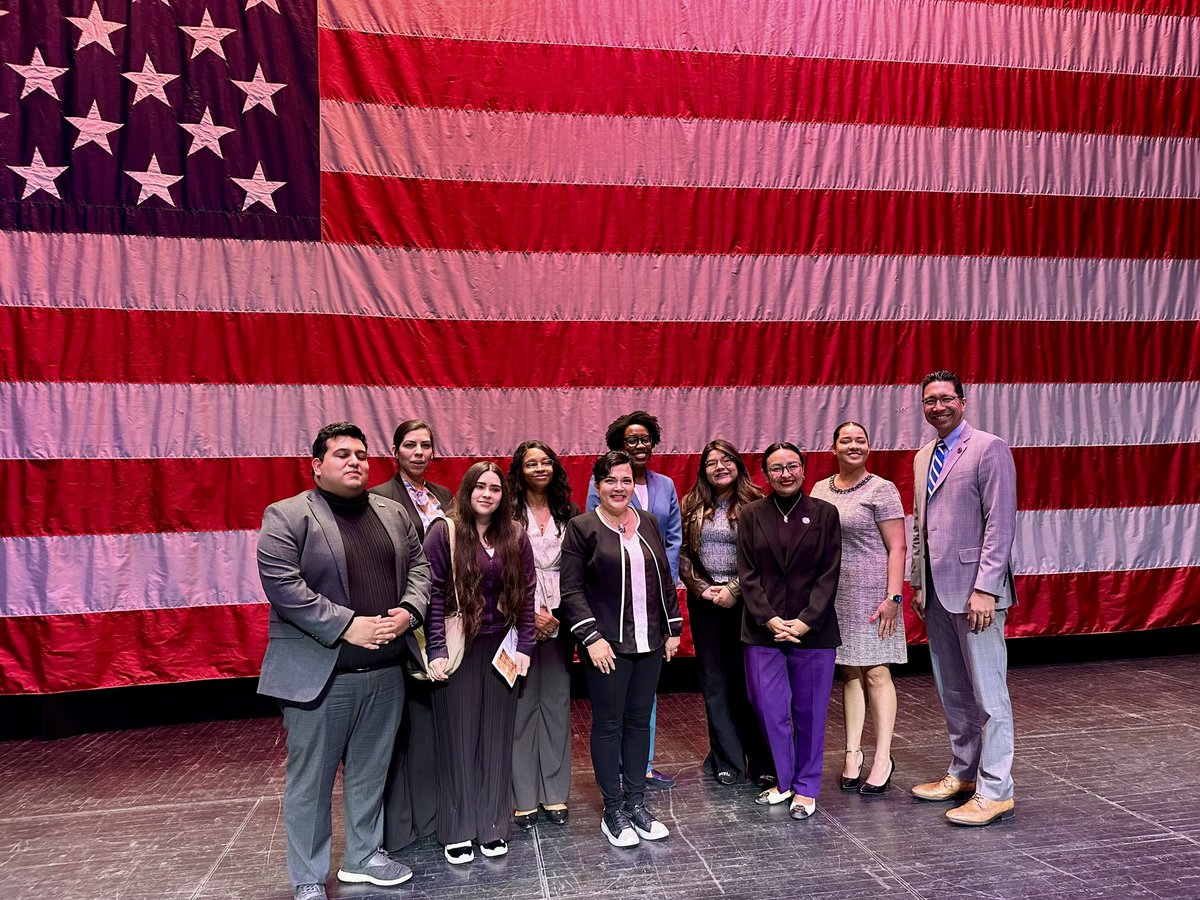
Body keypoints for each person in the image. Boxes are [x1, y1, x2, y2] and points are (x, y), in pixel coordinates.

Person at [257, 423, 431, 900]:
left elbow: (420, 567)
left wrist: (408, 613)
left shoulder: (392, 512)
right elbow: (284, 587)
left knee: (371, 771)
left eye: (360, 454)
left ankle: (364, 857)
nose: (355, 462)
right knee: (311, 783)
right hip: (321, 677)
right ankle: (309, 876)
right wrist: (347, 623)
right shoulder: (288, 515)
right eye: (341, 455)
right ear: (317, 465)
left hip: (385, 670)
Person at [909, 370, 1018, 826]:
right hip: (935, 591)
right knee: (953, 691)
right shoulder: (922, 457)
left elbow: (1000, 522)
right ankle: (964, 772)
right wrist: (917, 582)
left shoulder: (988, 448)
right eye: (930, 400)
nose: (938, 406)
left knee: (990, 696)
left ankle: (996, 790)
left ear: (963, 402)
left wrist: (986, 589)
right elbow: (920, 525)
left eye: (946, 398)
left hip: (977, 594)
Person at [561, 450, 683, 847]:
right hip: (607, 647)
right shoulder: (582, 527)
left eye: (626, 480)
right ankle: (612, 810)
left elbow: (663, 577)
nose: (619, 487)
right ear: (597, 485)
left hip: (649, 642)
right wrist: (591, 638)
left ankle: (636, 803)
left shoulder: (646, 521)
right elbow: (572, 590)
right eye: (611, 480)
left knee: (637, 723)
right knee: (609, 725)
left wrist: (674, 628)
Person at [424, 462, 536, 864]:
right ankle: (457, 829)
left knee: (496, 738)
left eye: (495, 488)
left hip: (502, 649)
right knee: (458, 739)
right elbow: (433, 594)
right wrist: (435, 649)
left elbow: (526, 592)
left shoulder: (515, 535)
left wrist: (526, 645)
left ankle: (491, 826)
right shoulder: (445, 531)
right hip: (459, 648)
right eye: (480, 486)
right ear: (467, 490)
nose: (487, 494)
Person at [736, 442, 841, 821]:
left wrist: (806, 619)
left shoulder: (825, 513)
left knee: (810, 712)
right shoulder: (750, 514)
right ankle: (784, 780)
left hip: (813, 630)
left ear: (803, 468)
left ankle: (807, 787)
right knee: (768, 708)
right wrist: (768, 618)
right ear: (765, 474)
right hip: (762, 630)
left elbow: (830, 573)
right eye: (776, 468)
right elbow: (746, 574)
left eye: (792, 466)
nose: (785, 474)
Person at [585, 410, 681, 788]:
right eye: (631, 440)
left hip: (653, 597)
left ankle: (641, 764)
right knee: (614, 704)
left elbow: (671, 540)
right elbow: (596, 540)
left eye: (644, 439)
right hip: (614, 605)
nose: (639, 445)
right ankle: (616, 769)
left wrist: (663, 584)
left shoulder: (666, 486)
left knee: (645, 697)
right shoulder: (604, 485)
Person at [810, 422, 907, 794]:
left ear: (869, 446)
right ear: (833, 447)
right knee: (849, 672)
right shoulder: (820, 489)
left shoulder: (883, 489)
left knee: (876, 673)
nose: (854, 445)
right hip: (835, 592)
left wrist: (893, 598)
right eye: (845, 440)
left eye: (860, 440)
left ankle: (883, 756)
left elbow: (897, 547)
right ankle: (852, 752)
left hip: (873, 593)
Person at [371, 419, 454, 852]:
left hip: (439, 618)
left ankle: (432, 817)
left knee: (430, 727)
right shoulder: (379, 498)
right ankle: (396, 829)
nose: (419, 452)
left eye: (426, 445)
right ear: (395, 450)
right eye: (410, 445)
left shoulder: (443, 496)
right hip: (399, 617)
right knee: (397, 729)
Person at [679, 439, 771, 786]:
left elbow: (765, 556)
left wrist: (734, 589)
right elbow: (683, 553)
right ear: (703, 470)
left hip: (748, 603)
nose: (719, 467)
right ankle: (726, 759)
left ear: (738, 464)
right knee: (715, 683)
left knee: (751, 683)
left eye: (726, 460)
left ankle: (761, 759)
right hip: (705, 603)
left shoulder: (758, 501)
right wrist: (702, 588)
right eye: (711, 462)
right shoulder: (691, 503)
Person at [507, 440, 579, 829]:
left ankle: (554, 794)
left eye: (546, 462)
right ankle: (523, 796)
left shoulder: (569, 512)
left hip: (562, 620)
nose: (539, 468)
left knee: (554, 705)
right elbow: (497, 569)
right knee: (521, 707)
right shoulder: (505, 511)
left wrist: (558, 615)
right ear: (519, 470)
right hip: (515, 620)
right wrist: (528, 614)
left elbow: (579, 568)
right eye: (531, 463)